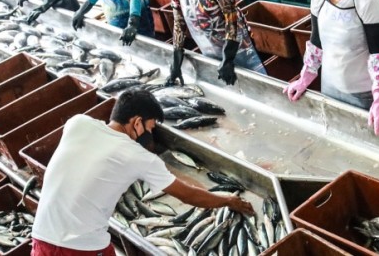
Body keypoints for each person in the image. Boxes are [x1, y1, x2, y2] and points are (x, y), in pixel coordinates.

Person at [31, 89, 254, 255]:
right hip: (78, 247)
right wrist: (228, 201)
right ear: (136, 122)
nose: (150, 132)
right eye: (150, 127)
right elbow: (188, 195)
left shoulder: (77, 123)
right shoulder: (136, 156)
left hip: (41, 236)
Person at [283, 0, 379, 136]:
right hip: (329, 88)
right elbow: (316, 41)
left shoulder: (370, 2)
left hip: (362, 95)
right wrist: (305, 77)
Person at [165, 0, 266, 87]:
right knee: (228, 87)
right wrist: (176, 63)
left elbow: (231, 18)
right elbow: (178, 23)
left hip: (238, 47)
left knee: (256, 85)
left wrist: (228, 58)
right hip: (208, 48)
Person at [71, 0, 154, 46]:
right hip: (116, 20)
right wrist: (82, 10)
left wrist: (133, 23)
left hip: (138, 17)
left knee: (146, 47)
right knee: (125, 50)